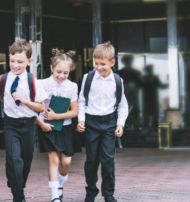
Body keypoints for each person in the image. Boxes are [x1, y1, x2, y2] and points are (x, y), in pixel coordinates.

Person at [0, 39, 47, 202]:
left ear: (29, 61)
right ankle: (19, 197)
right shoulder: (2, 79)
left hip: (29, 125)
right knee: (14, 160)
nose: (15, 65)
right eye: (12, 61)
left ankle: (16, 183)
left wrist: (25, 101)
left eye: (20, 61)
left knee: (25, 161)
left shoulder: (33, 81)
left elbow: (40, 108)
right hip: (11, 125)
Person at [77, 42, 128, 202]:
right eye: (96, 63)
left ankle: (108, 194)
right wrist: (81, 120)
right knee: (92, 160)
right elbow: (82, 100)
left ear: (112, 62)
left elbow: (122, 105)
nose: (98, 67)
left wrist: (120, 124)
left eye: (102, 64)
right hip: (91, 122)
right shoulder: (88, 78)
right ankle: (91, 191)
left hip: (109, 123)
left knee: (108, 160)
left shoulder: (118, 81)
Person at [36, 49, 80, 202]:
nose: (61, 76)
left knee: (66, 162)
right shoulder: (41, 84)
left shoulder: (72, 87)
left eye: (65, 73)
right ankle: (55, 196)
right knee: (54, 160)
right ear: (51, 68)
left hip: (65, 126)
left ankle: (60, 183)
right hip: (47, 127)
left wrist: (57, 116)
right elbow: (35, 108)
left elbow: (74, 111)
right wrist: (41, 122)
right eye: (58, 71)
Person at [117, 55, 142, 129]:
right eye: (127, 61)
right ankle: (126, 125)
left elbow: (140, 84)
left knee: (135, 110)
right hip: (124, 95)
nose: (128, 63)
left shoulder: (136, 73)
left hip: (133, 95)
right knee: (124, 109)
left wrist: (133, 86)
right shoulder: (119, 73)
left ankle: (136, 125)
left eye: (129, 61)